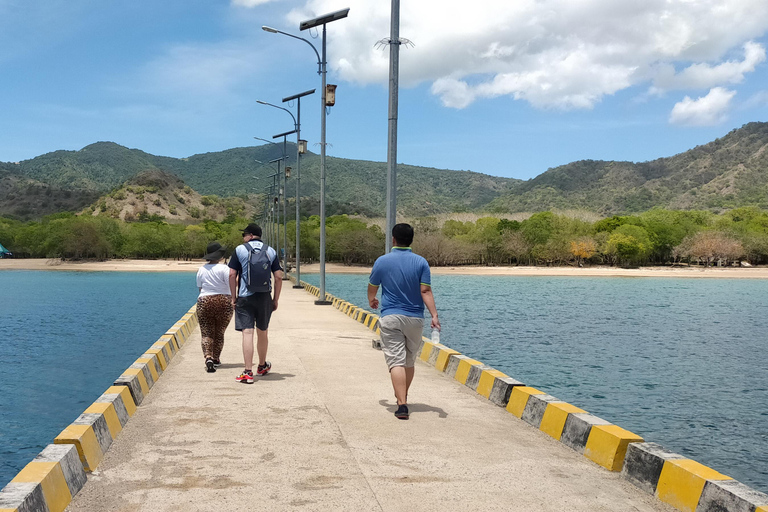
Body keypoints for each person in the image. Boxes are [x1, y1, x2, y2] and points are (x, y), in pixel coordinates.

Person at [368, 223, 440, 420]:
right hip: (415, 318)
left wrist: (371, 300)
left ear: (393, 239)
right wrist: (434, 314)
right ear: (411, 240)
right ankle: (404, 396)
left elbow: (372, 286)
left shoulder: (382, 261)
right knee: (409, 360)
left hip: (391, 317)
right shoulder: (421, 263)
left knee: (395, 361)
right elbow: (425, 291)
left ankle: (401, 404)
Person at [228, 223, 283, 384]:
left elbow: (232, 275)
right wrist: (275, 299)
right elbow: (278, 277)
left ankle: (247, 372)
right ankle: (262, 366)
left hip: (245, 296)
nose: (243, 237)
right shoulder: (271, 251)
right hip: (264, 296)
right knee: (263, 332)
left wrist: (233, 297)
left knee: (247, 332)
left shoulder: (240, 250)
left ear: (251, 235)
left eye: (244, 234)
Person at [196, 242, 234, 373]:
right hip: (224, 301)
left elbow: (200, 288)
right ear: (220, 255)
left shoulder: (202, 269)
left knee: (206, 333)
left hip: (205, 300)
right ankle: (216, 358)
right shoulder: (225, 269)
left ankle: (208, 357)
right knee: (219, 332)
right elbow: (231, 284)